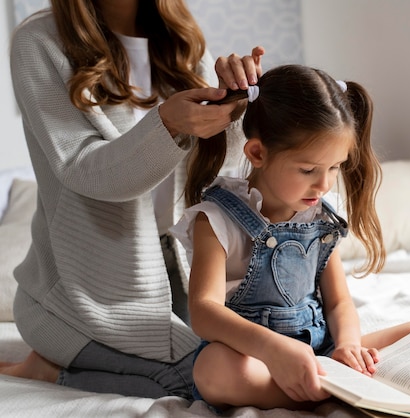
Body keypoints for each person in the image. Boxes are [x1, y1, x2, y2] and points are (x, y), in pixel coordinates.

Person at [0, 0, 264, 400]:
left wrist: (235, 105)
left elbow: (216, 170)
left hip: (176, 272)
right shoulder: (39, 41)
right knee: (189, 385)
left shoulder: (182, 40)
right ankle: (44, 369)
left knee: (234, 367)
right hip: (82, 290)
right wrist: (169, 124)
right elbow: (84, 171)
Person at [169, 64, 410, 410]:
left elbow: (338, 303)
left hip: (323, 351)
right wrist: (271, 348)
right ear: (258, 153)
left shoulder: (321, 216)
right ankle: (327, 390)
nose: (324, 184)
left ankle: (331, 381)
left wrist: (349, 345)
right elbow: (203, 312)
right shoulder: (215, 219)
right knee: (213, 370)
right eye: (309, 170)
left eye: (335, 167)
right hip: (256, 359)